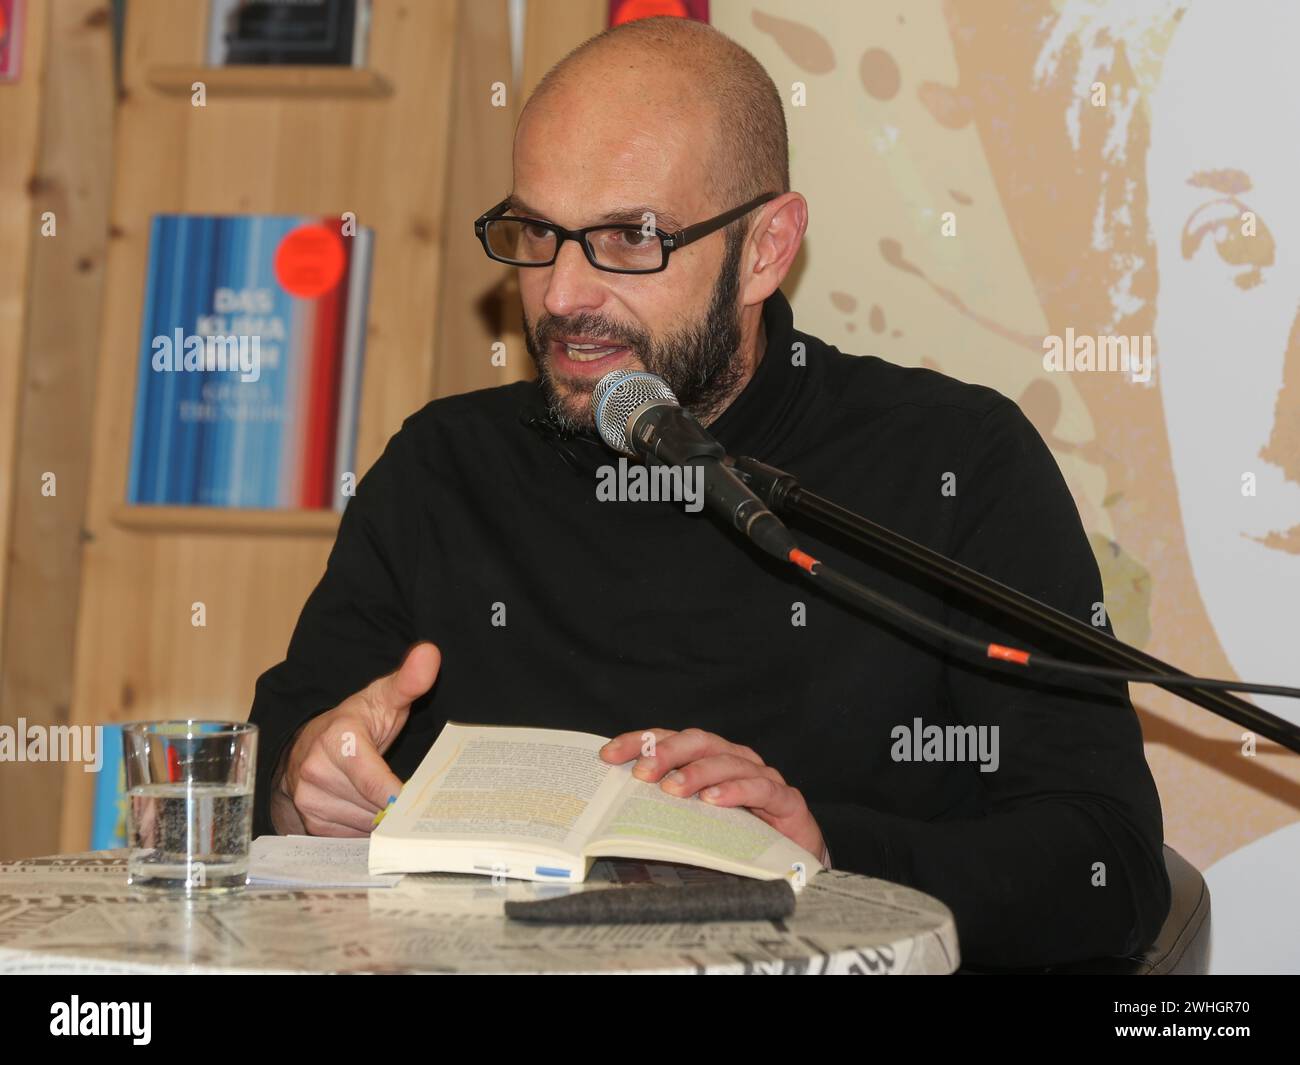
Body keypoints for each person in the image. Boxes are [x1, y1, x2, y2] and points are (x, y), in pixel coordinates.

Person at [249, 15, 1170, 968]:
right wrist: (299, 784)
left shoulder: (954, 463)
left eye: (627, 237)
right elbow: (276, 766)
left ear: (767, 248)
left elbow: (1109, 867)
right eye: (537, 232)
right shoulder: (444, 467)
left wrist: (825, 853)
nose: (563, 294)